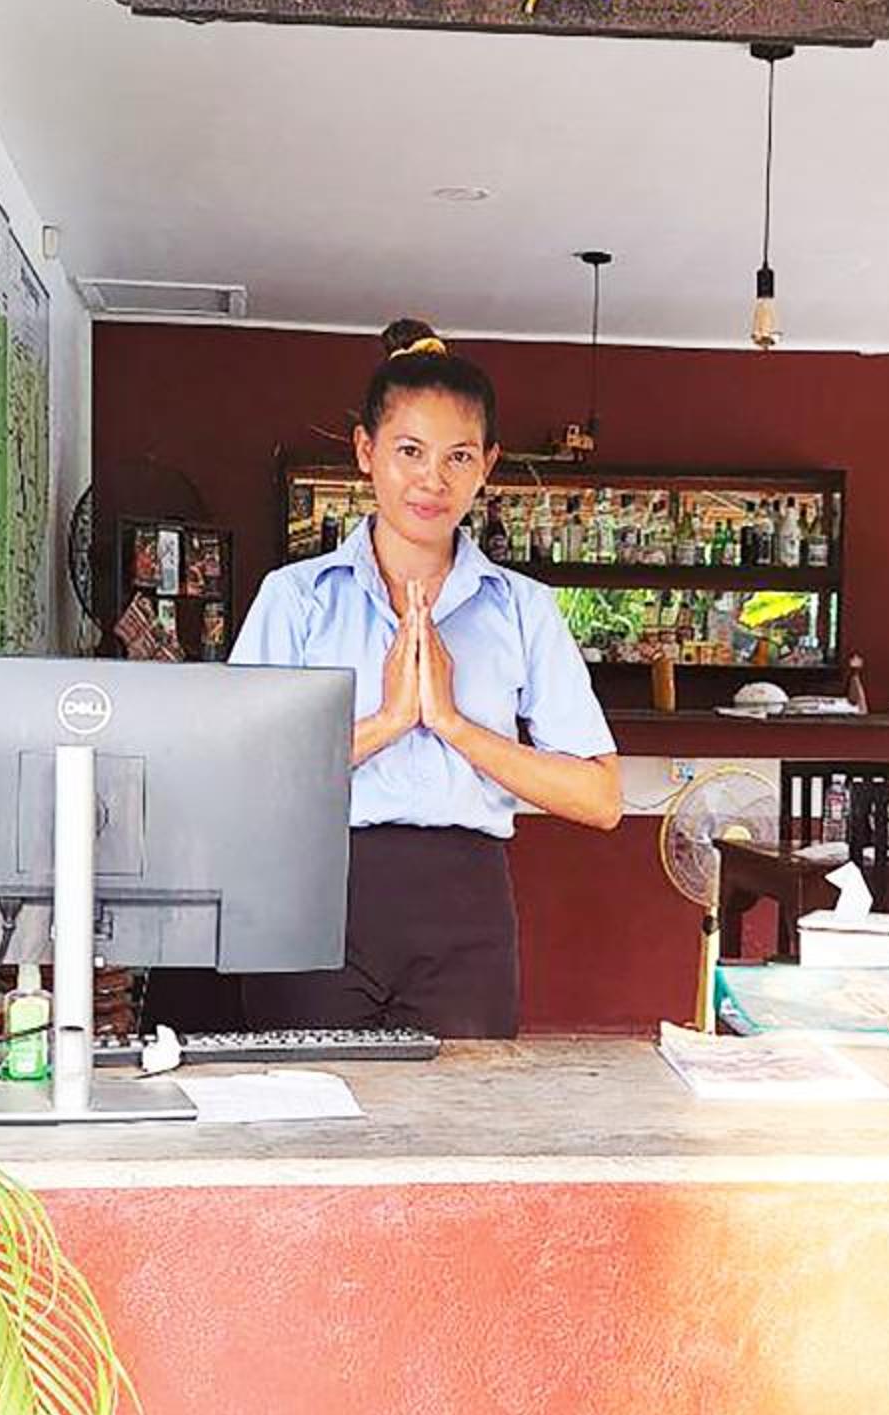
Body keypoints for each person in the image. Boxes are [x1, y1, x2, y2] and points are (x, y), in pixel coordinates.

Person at [232, 319, 622, 1037]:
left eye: (458, 456)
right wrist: (386, 722)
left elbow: (600, 799)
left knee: (461, 1108)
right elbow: (238, 780)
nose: (432, 480)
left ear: (487, 466)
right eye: (409, 450)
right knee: (312, 1102)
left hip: (465, 911)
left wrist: (452, 724)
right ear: (366, 451)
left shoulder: (523, 609)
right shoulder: (296, 599)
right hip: (314, 894)